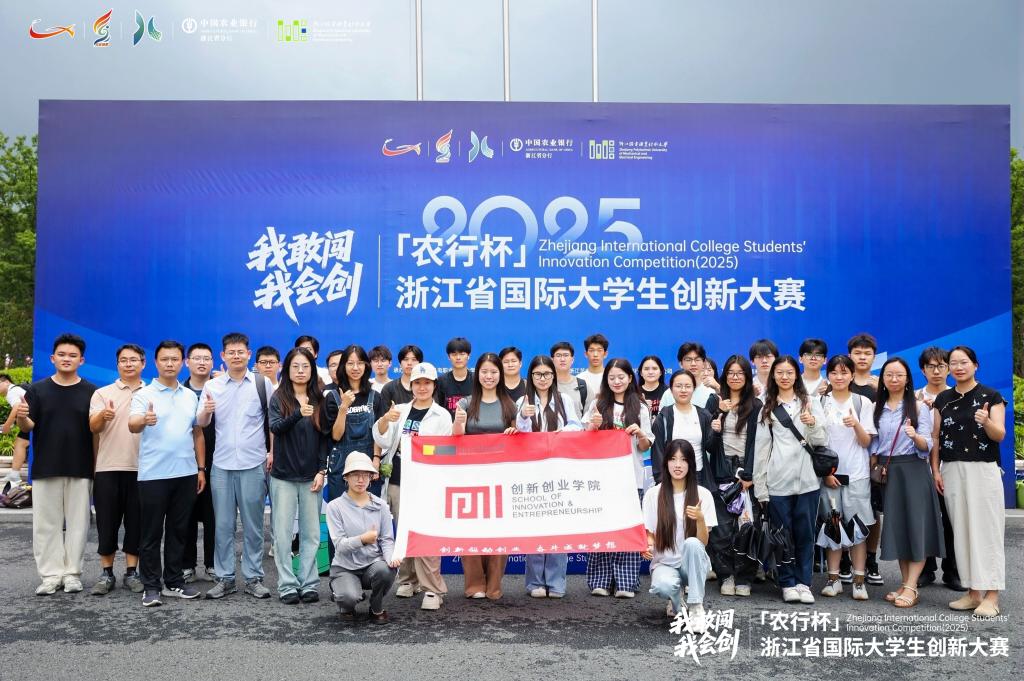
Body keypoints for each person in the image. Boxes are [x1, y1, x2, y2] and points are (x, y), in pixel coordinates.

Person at [15, 333, 97, 596]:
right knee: (45, 524)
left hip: (80, 466)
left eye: (72, 355)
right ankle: (50, 575)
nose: (66, 359)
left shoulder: (91, 391)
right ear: (52, 358)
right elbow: (28, 426)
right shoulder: (37, 390)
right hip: (46, 466)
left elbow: (96, 430)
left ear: (81, 360)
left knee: (78, 523)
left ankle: (72, 574)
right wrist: (21, 417)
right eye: (61, 354)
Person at [197, 332, 275, 600]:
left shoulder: (263, 384)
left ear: (249, 354)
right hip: (222, 465)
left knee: (253, 526)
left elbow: (272, 421)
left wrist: (272, 452)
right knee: (223, 525)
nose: (236, 356)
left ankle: (253, 578)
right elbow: (201, 422)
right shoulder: (213, 385)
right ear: (223, 356)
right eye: (231, 352)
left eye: (241, 351)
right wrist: (207, 410)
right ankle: (225, 578)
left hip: (253, 463)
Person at [128, 340, 206, 606]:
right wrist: (144, 420)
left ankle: (174, 582)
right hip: (153, 475)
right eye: (164, 359)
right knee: (150, 534)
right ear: (156, 362)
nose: (170, 364)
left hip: (185, 473)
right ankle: (151, 586)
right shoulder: (144, 394)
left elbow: (197, 432)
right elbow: (132, 424)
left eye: (174, 359)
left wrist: (200, 468)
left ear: (182, 362)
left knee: (178, 531)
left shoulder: (189, 396)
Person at [933, 346, 1006, 618]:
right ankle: (973, 593)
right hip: (951, 469)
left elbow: (999, 435)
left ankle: (992, 595)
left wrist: (986, 422)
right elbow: (936, 437)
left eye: (964, 362)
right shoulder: (943, 399)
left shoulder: (991, 396)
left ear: (975, 365)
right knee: (962, 530)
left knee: (987, 530)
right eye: (953, 363)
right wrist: (936, 470)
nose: (958, 367)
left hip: (983, 469)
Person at [373, 362, 452, 611]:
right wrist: (385, 419)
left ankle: (433, 589)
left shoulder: (442, 415)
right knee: (403, 531)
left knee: (425, 534)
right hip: (398, 479)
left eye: (427, 383)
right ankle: (408, 579)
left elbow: (446, 450)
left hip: (426, 482)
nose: (422, 387)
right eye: (417, 383)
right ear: (411, 385)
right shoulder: (400, 410)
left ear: (434, 385)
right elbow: (381, 438)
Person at [752, 355, 827, 605]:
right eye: (780, 372)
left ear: (797, 375)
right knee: (782, 535)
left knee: (805, 534)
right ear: (773, 376)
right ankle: (786, 582)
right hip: (778, 481)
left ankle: (804, 582)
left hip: (808, 481)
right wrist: (761, 488)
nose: (785, 377)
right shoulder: (766, 406)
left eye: (789, 372)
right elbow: (762, 450)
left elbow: (822, 441)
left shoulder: (810, 402)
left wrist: (812, 423)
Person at [871, 357, 940, 609]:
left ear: (908, 379)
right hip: (890, 473)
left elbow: (927, 444)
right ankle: (904, 583)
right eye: (889, 374)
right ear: (883, 379)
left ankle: (911, 586)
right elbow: (874, 444)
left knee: (916, 528)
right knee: (899, 528)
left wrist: (914, 436)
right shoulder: (877, 407)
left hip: (913, 470)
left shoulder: (919, 407)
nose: (894, 379)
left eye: (899, 375)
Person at [583, 358, 653, 599]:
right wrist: (592, 427)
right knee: (601, 528)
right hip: (601, 478)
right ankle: (600, 580)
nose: (616, 381)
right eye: (611, 378)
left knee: (627, 528)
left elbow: (645, 446)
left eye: (621, 377)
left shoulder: (640, 407)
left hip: (631, 477)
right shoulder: (597, 404)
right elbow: (583, 441)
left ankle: (626, 582)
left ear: (630, 378)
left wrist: (641, 433)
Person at [515, 355, 583, 598]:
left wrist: (558, 434)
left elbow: (577, 427)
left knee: (558, 526)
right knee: (535, 526)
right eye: (538, 374)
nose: (542, 379)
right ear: (531, 377)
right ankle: (535, 582)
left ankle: (556, 582)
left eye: (547, 374)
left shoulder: (564, 399)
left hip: (558, 471)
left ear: (554, 376)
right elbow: (519, 435)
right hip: (532, 473)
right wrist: (524, 416)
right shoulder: (523, 401)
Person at [452, 352, 518, 600]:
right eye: (484, 372)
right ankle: (474, 585)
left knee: (499, 530)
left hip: (501, 477)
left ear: (500, 375)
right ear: (477, 374)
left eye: (493, 372)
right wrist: (458, 423)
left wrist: (514, 432)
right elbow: (455, 438)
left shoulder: (510, 405)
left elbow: (520, 440)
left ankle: (494, 586)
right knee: (471, 530)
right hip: (471, 477)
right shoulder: (466, 403)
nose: (489, 376)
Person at [268, 347, 329, 604]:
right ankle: (287, 585)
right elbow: (275, 428)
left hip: (311, 477)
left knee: (311, 533)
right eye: (295, 366)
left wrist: (321, 470)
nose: (301, 371)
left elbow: (324, 438)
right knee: (283, 534)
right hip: (283, 477)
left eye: (305, 366)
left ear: (312, 370)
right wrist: (296, 413)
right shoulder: (278, 397)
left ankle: (309, 582)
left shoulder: (320, 399)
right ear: (287, 370)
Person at [88, 343, 146, 596]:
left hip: (143, 469)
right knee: (106, 522)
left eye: (133, 359)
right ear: (117, 364)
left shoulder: (151, 392)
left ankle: (132, 572)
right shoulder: (102, 394)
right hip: (108, 467)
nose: (128, 364)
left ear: (143, 363)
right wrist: (103, 415)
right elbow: (93, 427)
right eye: (123, 360)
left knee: (137, 523)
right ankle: (106, 572)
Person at [817, 355, 877, 600]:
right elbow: (816, 443)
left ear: (852, 375)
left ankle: (859, 581)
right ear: (828, 375)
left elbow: (866, 442)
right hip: (830, 476)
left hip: (857, 474)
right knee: (833, 526)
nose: (839, 377)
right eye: (834, 372)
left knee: (858, 530)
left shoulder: (862, 402)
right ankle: (833, 580)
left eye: (844, 372)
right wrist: (825, 474)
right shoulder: (820, 402)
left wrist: (855, 425)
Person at [643, 439, 718, 629]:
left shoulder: (703, 494)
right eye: (673, 459)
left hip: (692, 564)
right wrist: (648, 545)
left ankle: (696, 607)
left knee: (692, 543)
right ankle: (677, 601)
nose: (678, 465)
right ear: (666, 462)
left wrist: (700, 519)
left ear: (691, 464)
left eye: (684, 460)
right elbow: (649, 533)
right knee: (662, 586)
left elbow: (703, 542)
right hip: (665, 562)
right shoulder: (653, 494)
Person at [707, 355, 762, 597]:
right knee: (721, 528)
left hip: (747, 471)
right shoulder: (715, 402)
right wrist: (717, 419)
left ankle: (745, 577)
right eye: (731, 373)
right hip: (721, 469)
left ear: (747, 377)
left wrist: (751, 474)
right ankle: (726, 575)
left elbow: (761, 443)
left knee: (748, 526)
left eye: (740, 373)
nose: (735, 377)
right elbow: (708, 444)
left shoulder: (757, 405)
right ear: (724, 376)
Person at [326, 452, 400, 623]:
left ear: (371, 477)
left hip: (372, 564)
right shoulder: (334, 507)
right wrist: (363, 539)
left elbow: (387, 539)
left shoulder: (381, 505)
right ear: (346, 477)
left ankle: (376, 606)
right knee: (349, 598)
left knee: (387, 569)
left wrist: (390, 558)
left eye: (365, 475)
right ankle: (342, 596)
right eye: (355, 475)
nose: (360, 480)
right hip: (345, 567)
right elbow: (339, 545)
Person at [916, 347, 962, 590]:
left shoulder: (958, 396)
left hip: (951, 466)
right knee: (924, 519)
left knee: (952, 519)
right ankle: (925, 569)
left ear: (949, 369)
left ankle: (953, 571)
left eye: (941, 366)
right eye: (931, 366)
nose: (937, 371)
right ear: (923, 370)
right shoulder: (914, 397)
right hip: (920, 468)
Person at [325, 345, 383, 500]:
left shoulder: (375, 396)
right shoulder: (332, 397)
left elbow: (378, 433)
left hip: (368, 463)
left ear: (366, 366)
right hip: (341, 463)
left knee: (369, 511)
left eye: (360, 363)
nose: (355, 368)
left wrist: (376, 459)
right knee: (340, 511)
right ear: (343, 367)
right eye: (350, 363)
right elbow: (336, 436)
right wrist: (343, 407)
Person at [846, 332, 882, 585]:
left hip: (873, 455)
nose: (862, 357)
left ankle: (870, 559)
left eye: (867, 353)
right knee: (843, 509)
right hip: (848, 457)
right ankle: (846, 560)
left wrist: (876, 456)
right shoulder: (840, 383)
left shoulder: (879, 385)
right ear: (850, 355)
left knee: (872, 511)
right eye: (857, 353)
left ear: (874, 357)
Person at [183, 343, 217, 583]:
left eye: (206, 358)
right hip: (184, 462)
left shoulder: (220, 389)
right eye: (197, 358)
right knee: (186, 516)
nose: (202, 362)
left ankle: (212, 565)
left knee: (215, 517)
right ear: (187, 362)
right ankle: (187, 565)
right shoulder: (178, 390)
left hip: (218, 461)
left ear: (213, 362)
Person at [651, 369, 718, 488]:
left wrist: (716, 433)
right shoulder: (663, 417)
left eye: (688, 386)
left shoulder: (703, 415)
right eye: (678, 386)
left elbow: (711, 448)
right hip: (671, 477)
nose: (683, 390)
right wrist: (661, 480)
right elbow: (657, 451)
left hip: (698, 475)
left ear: (693, 388)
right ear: (671, 389)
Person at [659, 343, 716, 409]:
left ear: (703, 363)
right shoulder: (669, 394)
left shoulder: (710, 393)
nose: (693, 364)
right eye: (688, 360)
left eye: (697, 360)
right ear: (681, 364)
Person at [0, 374, 30, 486]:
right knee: (19, 443)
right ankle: (14, 474)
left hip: (38, 421)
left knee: (20, 443)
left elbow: (17, 407)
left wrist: (7, 426)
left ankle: (15, 476)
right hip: (37, 420)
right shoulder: (16, 390)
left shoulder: (12, 391)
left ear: (6, 382)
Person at [436, 337, 473, 417]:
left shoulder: (476, 379)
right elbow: (438, 407)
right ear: (448, 357)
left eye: (462, 354)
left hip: (472, 424)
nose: (458, 358)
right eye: (454, 354)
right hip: (448, 423)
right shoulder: (441, 381)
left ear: (468, 355)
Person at [551, 341, 587, 419]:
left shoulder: (583, 386)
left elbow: (589, 418)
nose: (562, 359)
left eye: (566, 355)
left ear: (572, 360)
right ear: (552, 360)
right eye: (558, 355)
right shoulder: (546, 384)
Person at [579, 333, 609, 412]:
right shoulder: (579, 378)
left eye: (599, 350)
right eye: (591, 350)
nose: (595, 355)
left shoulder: (611, 377)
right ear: (586, 354)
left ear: (605, 354)